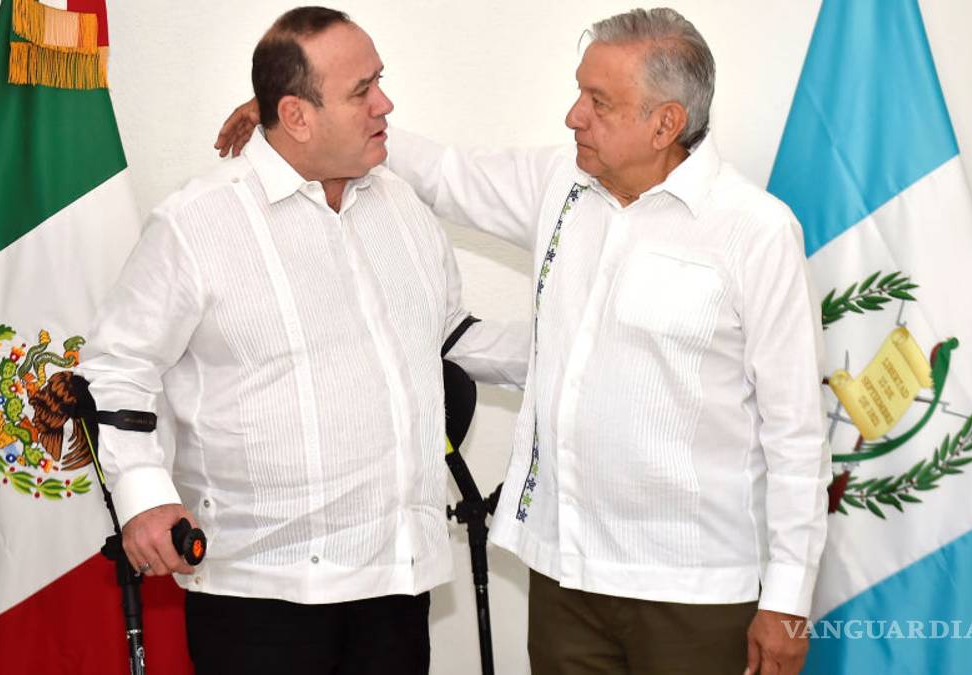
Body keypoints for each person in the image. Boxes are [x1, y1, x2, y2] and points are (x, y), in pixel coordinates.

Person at [216, 6, 830, 675]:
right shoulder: (560, 184)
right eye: (579, 92)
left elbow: (796, 434)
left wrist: (788, 600)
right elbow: (445, 172)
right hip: (563, 575)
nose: (574, 116)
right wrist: (296, 118)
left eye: (598, 102)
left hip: (694, 593)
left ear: (665, 124)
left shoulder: (756, 232)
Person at [81, 7, 526, 674]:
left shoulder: (403, 207)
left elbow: (446, 336)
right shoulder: (196, 223)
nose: (385, 104)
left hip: (396, 584)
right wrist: (145, 496)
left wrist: (573, 349)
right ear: (296, 116)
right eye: (361, 91)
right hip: (260, 595)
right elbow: (118, 366)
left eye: (379, 81)